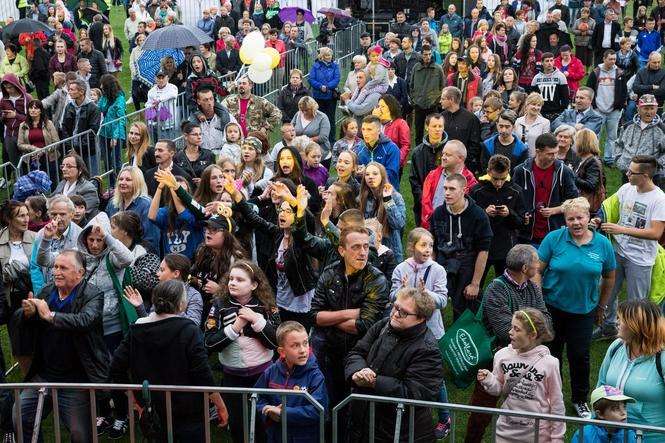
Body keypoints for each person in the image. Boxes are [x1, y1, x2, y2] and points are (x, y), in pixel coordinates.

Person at [111, 280, 228, 442]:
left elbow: (116, 367)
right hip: (187, 413)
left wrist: (135, 399)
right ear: (181, 304)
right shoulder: (189, 330)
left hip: (153, 409)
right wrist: (220, 404)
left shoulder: (136, 330)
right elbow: (202, 373)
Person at [13, 249, 108, 443]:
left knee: (80, 435)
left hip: (76, 381)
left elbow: (85, 320)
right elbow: (33, 321)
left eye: (63, 268)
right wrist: (28, 314)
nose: (56, 272)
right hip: (44, 375)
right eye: (55, 267)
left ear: (80, 273)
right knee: (20, 417)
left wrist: (51, 316)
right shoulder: (47, 291)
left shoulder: (93, 294)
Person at [538, 197, 616, 418]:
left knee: (579, 356)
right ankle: (550, 397)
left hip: (584, 311)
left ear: (588, 217)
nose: (576, 223)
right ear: (565, 220)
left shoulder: (603, 244)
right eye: (570, 219)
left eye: (580, 217)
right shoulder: (554, 239)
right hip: (552, 308)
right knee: (551, 355)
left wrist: (601, 306)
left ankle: (580, 399)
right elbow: (537, 270)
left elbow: (609, 276)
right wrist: (538, 301)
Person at [309, 226, 389, 422]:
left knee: (354, 413)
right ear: (342, 250)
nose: (362, 252)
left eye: (365, 246)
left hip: (360, 357)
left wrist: (329, 318)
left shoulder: (377, 279)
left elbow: (364, 325)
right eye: (355, 247)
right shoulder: (329, 273)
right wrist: (349, 313)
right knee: (328, 408)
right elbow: (314, 316)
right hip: (329, 353)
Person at [344, 287, 443, 442]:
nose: (395, 314)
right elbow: (356, 352)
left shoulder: (427, 350)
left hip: (398, 432)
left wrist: (374, 382)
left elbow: (416, 394)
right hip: (364, 423)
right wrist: (358, 371)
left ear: (421, 318)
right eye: (395, 307)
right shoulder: (384, 324)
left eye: (403, 312)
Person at [204, 259, 280, 443]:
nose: (232, 283)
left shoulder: (267, 305)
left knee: (264, 423)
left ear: (254, 285)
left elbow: (276, 342)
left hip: (263, 375)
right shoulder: (219, 304)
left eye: (240, 279)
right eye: (231, 278)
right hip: (232, 376)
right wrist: (235, 327)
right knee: (237, 425)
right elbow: (209, 343)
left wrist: (256, 320)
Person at [596, 156, 665, 338]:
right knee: (608, 292)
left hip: (641, 259)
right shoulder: (626, 188)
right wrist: (598, 219)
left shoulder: (659, 199)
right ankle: (608, 327)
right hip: (618, 251)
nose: (627, 173)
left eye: (632, 172)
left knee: (637, 303)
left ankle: (635, 336)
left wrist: (622, 230)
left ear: (645, 176)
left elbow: (656, 233)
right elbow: (610, 207)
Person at [477, 308, 565, 442]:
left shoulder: (550, 363)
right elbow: (498, 389)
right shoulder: (502, 356)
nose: (510, 332)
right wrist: (489, 380)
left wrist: (557, 438)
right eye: (511, 327)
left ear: (532, 335)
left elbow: (557, 403)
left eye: (517, 329)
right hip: (505, 432)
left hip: (537, 435)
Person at [596, 299, 665, 441]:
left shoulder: (662, 358)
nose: (617, 322)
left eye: (621, 319)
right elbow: (601, 385)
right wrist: (595, 423)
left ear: (637, 326)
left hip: (651, 438)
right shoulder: (616, 346)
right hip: (613, 436)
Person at [255, 321, 328, 443]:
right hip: (276, 436)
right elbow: (257, 397)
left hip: (305, 438)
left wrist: (284, 413)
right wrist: (266, 410)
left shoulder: (315, 375)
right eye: (295, 345)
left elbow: (319, 410)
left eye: (305, 343)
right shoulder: (271, 372)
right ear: (282, 352)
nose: (303, 350)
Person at [513, 133, 579, 245]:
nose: (554, 157)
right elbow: (513, 198)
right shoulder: (521, 171)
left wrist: (555, 210)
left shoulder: (564, 172)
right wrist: (522, 213)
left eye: (556, 152)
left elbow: (574, 201)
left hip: (555, 232)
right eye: (550, 154)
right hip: (526, 234)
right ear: (538, 151)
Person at [29, 196, 83, 295]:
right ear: (49, 215)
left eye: (62, 214)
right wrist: (40, 291)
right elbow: (35, 265)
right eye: (54, 214)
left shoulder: (80, 235)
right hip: (46, 289)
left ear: (72, 214)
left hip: (71, 291)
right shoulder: (42, 234)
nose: (58, 218)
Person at [358, 162, 406, 262]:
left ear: (382, 176)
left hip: (390, 251)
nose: (371, 177)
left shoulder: (395, 197)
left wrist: (387, 200)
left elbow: (398, 224)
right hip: (368, 250)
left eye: (375, 174)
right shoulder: (362, 198)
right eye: (367, 174)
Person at [587, 49, 628, 166]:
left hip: (614, 111)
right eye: (610, 59)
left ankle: (609, 159)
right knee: (596, 136)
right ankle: (594, 158)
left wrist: (619, 106)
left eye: (614, 59)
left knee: (612, 136)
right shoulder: (595, 73)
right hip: (598, 110)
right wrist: (593, 106)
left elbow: (624, 91)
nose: (613, 61)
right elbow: (589, 89)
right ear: (604, 59)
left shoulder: (620, 73)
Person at [409, 114, 448, 226]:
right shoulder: (418, 152)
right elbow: (414, 179)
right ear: (427, 127)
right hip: (422, 203)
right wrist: (423, 199)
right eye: (434, 126)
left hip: (445, 200)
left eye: (440, 126)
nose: (437, 129)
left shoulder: (450, 150)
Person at [613, 95, 665, 178]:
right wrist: (620, 162)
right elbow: (618, 144)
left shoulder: (662, 129)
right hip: (627, 173)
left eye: (652, 108)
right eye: (646, 108)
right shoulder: (627, 126)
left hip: (650, 177)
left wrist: (656, 167)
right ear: (638, 109)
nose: (649, 112)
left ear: (656, 109)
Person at [60, 78, 102, 174]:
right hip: (71, 150)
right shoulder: (69, 106)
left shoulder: (93, 108)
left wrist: (77, 148)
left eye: (72, 89)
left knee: (92, 175)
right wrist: (70, 147)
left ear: (81, 92)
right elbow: (64, 127)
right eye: (69, 89)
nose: (69, 92)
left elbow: (92, 131)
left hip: (89, 150)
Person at [439, 87, 483, 174]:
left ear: (451, 100)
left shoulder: (470, 119)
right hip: (443, 164)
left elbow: (475, 143)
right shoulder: (441, 117)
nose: (440, 101)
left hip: (464, 166)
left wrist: (464, 161)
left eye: (443, 99)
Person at [572, 385, 638, 443]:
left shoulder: (630, 435)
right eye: (616, 408)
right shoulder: (584, 435)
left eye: (624, 407)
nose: (623, 412)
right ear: (600, 414)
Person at [409, 45, 445, 143]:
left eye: (429, 54)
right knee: (418, 132)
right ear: (421, 55)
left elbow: (442, 86)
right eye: (425, 54)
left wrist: (436, 101)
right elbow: (411, 85)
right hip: (418, 104)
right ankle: (418, 150)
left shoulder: (438, 68)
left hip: (432, 105)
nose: (427, 57)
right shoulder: (416, 67)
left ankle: (434, 148)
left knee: (434, 130)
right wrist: (414, 100)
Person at [17, 99, 59, 181]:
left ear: (41, 111)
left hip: (49, 158)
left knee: (51, 182)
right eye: (31, 108)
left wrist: (42, 151)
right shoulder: (23, 125)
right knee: (34, 183)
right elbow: (20, 144)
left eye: (36, 108)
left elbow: (56, 142)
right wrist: (34, 149)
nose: (33, 110)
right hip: (30, 159)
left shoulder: (48, 123)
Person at [356, 115, 401, 190]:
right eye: (363, 129)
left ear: (379, 131)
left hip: (387, 192)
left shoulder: (391, 148)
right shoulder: (360, 149)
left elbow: (391, 175)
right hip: (366, 192)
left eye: (369, 129)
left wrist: (367, 172)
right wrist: (357, 171)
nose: (365, 133)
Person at [52, 153, 99, 219]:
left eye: (69, 166)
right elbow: (51, 199)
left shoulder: (88, 189)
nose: (64, 169)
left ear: (80, 170)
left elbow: (82, 214)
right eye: (62, 166)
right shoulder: (62, 184)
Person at [291, 96, 331, 168]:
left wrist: (305, 140)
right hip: (299, 152)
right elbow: (291, 129)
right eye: (302, 110)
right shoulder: (298, 114)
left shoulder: (322, 117)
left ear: (313, 108)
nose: (304, 112)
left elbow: (323, 137)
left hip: (319, 152)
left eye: (306, 110)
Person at [574, 129, 606, 214]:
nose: (574, 143)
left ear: (582, 142)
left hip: (589, 207)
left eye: (576, 140)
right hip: (582, 203)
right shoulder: (583, 159)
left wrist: (572, 177)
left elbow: (591, 185)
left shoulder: (593, 162)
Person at [0, 74, 29, 167]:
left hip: (24, 134)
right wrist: (3, 116)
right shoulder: (3, 100)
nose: (8, 90)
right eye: (5, 88)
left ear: (16, 84)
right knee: (14, 163)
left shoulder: (26, 98)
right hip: (9, 135)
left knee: (26, 161)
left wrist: (15, 115)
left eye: (10, 87)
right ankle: (17, 175)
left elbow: (31, 118)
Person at [531, 52, 570, 121]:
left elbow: (565, 98)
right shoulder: (536, 78)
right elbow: (533, 97)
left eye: (551, 60)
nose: (549, 63)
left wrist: (561, 111)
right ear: (542, 62)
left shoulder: (560, 76)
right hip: (540, 113)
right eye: (547, 61)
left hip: (557, 113)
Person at [515, 92, 551, 157]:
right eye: (533, 104)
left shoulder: (545, 123)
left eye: (539, 105)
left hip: (535, 158)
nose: (536, 107)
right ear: (527, 105)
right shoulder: (518, 121)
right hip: (518, 157)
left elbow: (545, 144)